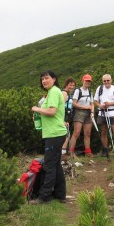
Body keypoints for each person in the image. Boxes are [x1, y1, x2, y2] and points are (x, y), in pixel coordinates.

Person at [30, 70, 67, 204]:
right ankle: (60, 194)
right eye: (42, 79)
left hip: (54, 134)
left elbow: (51, 111)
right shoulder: (53, 92)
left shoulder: (54, 92)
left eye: (46, 78)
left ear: (54, 79)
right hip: (55, 133)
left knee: (50, 165)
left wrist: (36, 109)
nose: (44, 81)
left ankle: (44, 197)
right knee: (56, 164)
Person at [94, 74, 114, 158]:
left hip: (113, 113)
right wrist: (100, 106)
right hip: (102, 112)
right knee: (103, 131)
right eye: (104, 81)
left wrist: (110, 104)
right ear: (102, 81)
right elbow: (95, 100)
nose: (106, 82)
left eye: (108, 80)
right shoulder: (99, 88)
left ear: (111, 80)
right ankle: (105, 149)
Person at [69, 74, 95, 157]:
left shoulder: (90, 91)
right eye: (86, 81)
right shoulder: (78, 91)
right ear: (82, 81)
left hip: (88, 113)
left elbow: (92, 104)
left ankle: (88, 152)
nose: (88, 82)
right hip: (79, 112)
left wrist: (92, 112)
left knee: (87, 133)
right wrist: (85, 107)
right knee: (76, 133)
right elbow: (74, 103)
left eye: (89, 81)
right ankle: (71, 152)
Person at [61, 77, 76, 156]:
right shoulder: (64, 93)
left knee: (67, 135)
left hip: (65, 118)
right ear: (66, 84)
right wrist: (62, 120)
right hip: (61, 118)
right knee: (65, 136)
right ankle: (61, 154)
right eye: (70, 85)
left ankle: (62, 154)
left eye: (73, 85)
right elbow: (60, 107)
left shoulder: (68, 94)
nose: (72, 87)